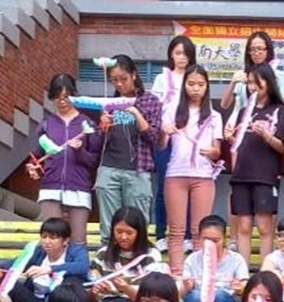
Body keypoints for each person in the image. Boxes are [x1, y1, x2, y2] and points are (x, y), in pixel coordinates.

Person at [161, 65, 224, 277]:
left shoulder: (214, 116)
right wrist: (164, 132)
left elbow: (218, 151)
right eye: (191, 84)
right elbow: (161, 146)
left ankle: (199, 276)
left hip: (203, 176)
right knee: (176, 231)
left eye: (200, 84)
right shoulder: (171, 110)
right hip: (175, 174)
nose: (195, 89)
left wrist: (212, 151)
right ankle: (177, 276)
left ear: (207, 87)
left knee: (200, 232)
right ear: (184, 85)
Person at [92, 55, 163, 242]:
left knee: (137, 223)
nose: (119, 84)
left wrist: (137, 115)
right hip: (109, 167)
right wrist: (102, 127)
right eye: (114, 80)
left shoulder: (149, 101)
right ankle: (107, 260)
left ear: (134, 75)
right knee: (109, 225)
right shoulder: (108, 104)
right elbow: (97, 143)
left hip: (137, 170)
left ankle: (139, 261)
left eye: (123, 79)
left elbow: (154, 137)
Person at [226, 62, 284, 261]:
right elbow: (237, 142)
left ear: (269, 83)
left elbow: (283, 147)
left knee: (264, 226)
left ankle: (266, 270)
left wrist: (266, 135)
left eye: (257, 82)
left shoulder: (280, 110)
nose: (252, 87)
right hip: (241, 174)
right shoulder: (245, 110)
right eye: (249, 83)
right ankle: (244, 273)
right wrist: (232, 138)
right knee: (243, 226)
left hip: (265, 175)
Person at [27, 74, 100, 246]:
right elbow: (35, 156)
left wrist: (80, 150)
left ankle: (76, 273)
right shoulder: (47, 124)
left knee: (78, 240)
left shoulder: (88, 124)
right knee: (51, 241)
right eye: (57, 97)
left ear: (74, 95)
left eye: (66, 97)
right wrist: (32, 167)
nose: (62, 101)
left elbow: (94, 161)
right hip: (50, 187)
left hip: (79, 188)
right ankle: (49, 272)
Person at [0, 217, 91, 302]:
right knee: (6, 281)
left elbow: (82, 266)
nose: (47, 242)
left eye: (53, 238)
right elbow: (15, 263)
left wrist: (50, 269)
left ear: (66, 240)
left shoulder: (76, 251)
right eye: (44, 237)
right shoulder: (38, 252)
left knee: (72, 281)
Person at [89, 206, 164, 302]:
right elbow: (91, 300)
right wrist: (95, 291)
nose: (123, 237)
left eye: (129, 233)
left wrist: (125, 288)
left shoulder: (151, 255)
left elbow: (151, 296)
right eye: (119, 232)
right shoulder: (102, 254)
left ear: (140, 233)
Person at [180, 215, 252, 302]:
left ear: (224, 238)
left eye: (215, 240)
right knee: (195, 295)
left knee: (218, 295)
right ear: (199, 238)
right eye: (206, 240)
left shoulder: (236, 259)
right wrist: (187, 286)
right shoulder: (192, 259)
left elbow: (246, 288)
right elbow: (184, 295)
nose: (210, 244)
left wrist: (240, 288)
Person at [151, 35, 197, 252]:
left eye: (185, 54)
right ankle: (161, 234)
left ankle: (187, 235)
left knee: (187, 185)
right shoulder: (163, 78)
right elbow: (154, 108)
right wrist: (163, 125)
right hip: (166, 137)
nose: (181, 58)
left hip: (188, 139)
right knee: (163, 186)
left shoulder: (194, 77)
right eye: (178, 53)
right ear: (171, 54)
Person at [220, 30, 284, 115]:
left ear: (268, 50)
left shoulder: (280, 76)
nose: (256, 53)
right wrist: (233, 83)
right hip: (244, 123)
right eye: (252, 49)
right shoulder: (242, 75)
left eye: (260, 49)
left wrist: (273, 84)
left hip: (269, 124)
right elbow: (224, 105)